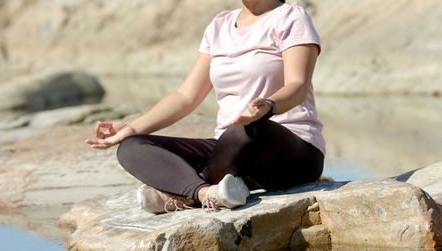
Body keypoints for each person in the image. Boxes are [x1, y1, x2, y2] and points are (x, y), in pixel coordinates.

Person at [85, 0, 325, 214]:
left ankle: (180, 192)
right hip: (229, 151)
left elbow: (298, 84)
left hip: (292, 151)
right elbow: (185, 96)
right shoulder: (219, 25)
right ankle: (204, 194)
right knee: (132, 146)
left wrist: (269, 106)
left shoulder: (291, 17)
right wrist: (131, 127)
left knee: (247, 130)